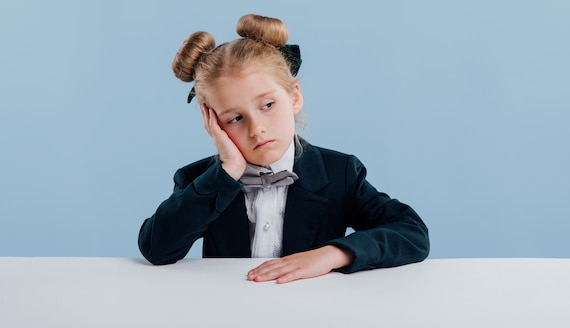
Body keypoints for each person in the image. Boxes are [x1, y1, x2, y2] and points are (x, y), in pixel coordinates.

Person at [138, 14, 429, 283]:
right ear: (214, 123)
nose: (257, 129)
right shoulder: (200, 180)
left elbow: (412, 232)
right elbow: (156, 249)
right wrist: (227, 174)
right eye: (235, 118)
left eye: (267, 105)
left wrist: (330, 255)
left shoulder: (340, 173)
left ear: (293, 97)